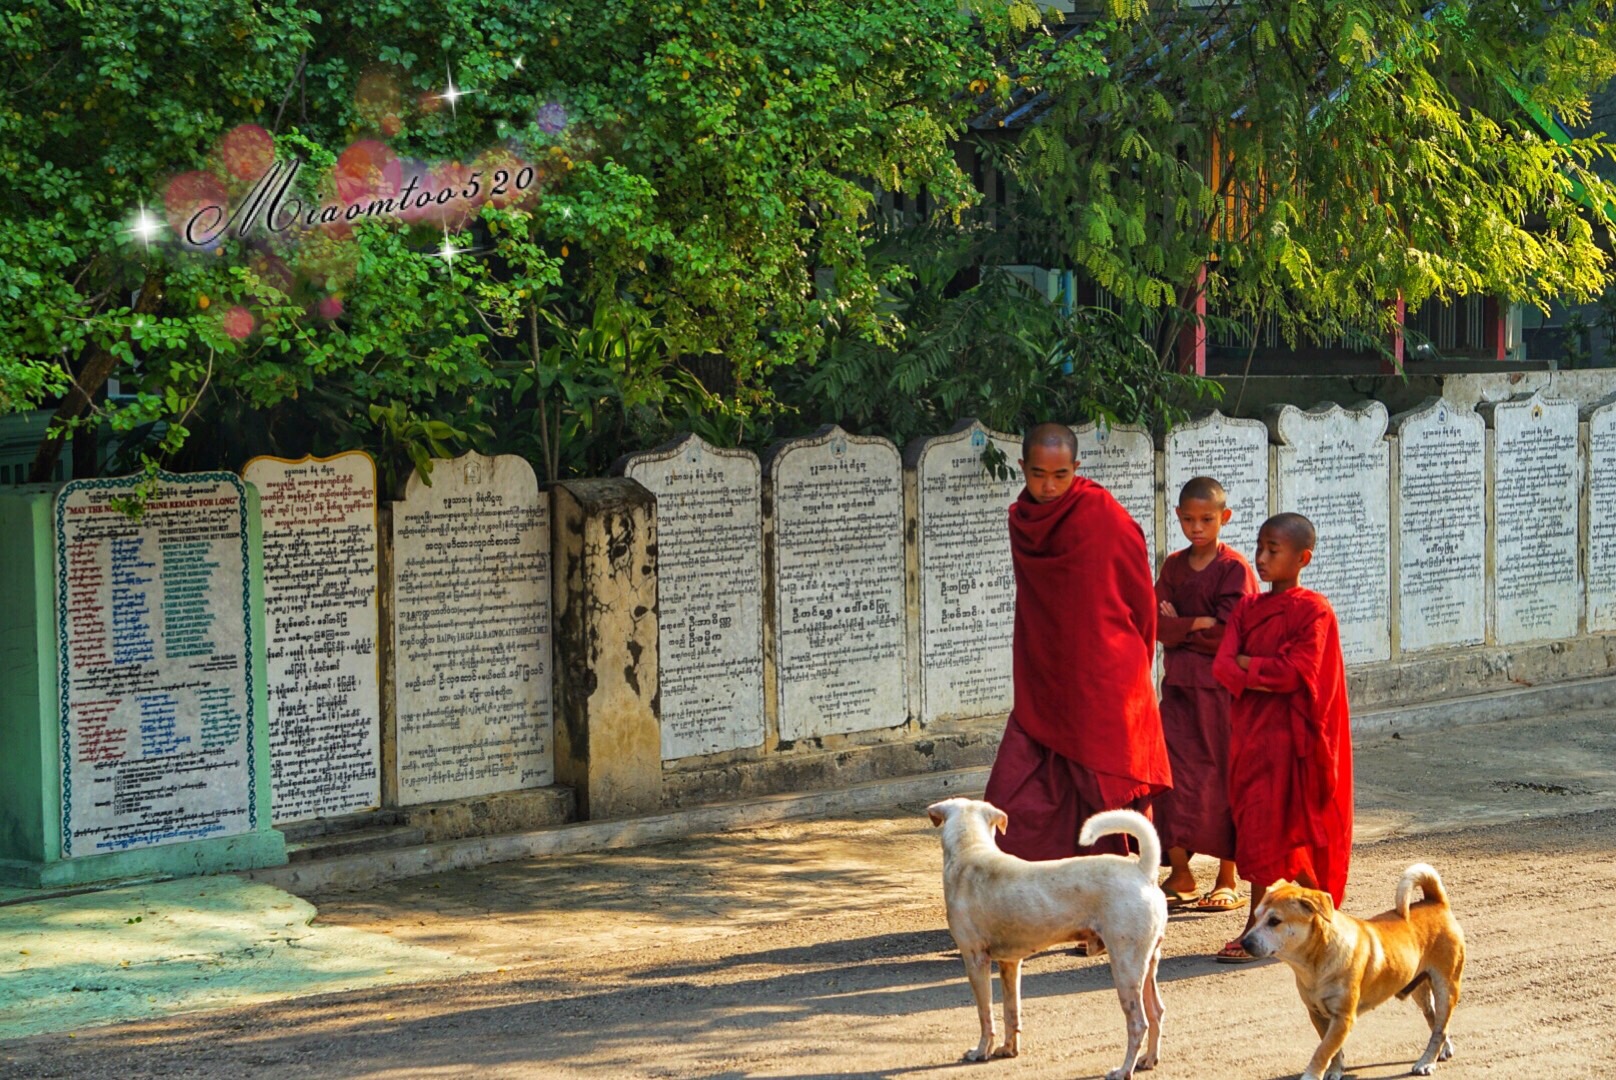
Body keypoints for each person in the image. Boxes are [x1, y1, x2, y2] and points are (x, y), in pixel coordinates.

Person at [984, 422, 1172, 871]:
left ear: (1077, 469)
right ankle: (1037, 898)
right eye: (1038, 474)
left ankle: (1117, 901)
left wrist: (1135, 667)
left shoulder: (1101, 515)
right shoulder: (1024, 520)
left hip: (1104, 673)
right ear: (1022, 468)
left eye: (1061, 475)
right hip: (1045, 672)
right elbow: (1038, 602)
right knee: (1015, 794)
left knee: (1105, 785)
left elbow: (1140, 598)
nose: (1049, 487)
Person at [1211, 512, 1353, 963]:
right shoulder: (1248, 607)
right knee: (1256, 830)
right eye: (1261, 547)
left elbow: (1299, 673)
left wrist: (1250, 664)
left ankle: (1289, 927)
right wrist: (1260, 668)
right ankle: (1267, 925)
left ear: (1302, 558)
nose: (1263, 557)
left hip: (1296, 739)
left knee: (1292, 829)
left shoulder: (1314, 610)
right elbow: (1221, 666)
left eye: (1275, 550)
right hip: (1252, 735)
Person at [1154, 477, 1259, 914]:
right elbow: (1155, 625)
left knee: (1223, 779)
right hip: (1178, 690)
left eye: (1207, 519)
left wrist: (1186, 625)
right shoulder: (1174, 567)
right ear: (1178, 518)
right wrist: (1197, 625)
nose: (1197, 528)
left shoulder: (1233, 568)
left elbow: (1231, 634)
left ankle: (1227, 877)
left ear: (1224, 518)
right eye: (1189, 520)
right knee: (1169, 778)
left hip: (1220, 692)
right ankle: (1179, 873)